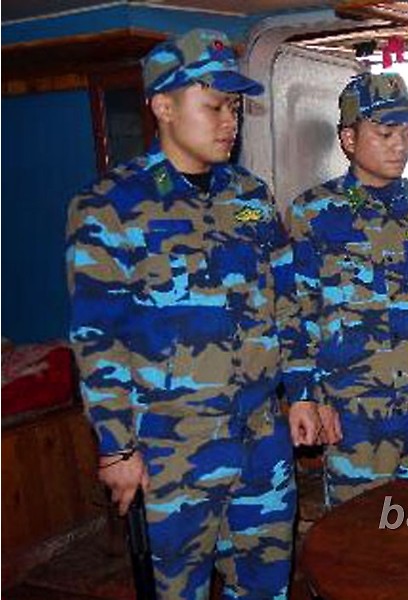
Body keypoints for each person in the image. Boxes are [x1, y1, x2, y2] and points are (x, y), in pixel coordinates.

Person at [66, 29, 320, 598]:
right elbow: (98, 338)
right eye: (214, 106)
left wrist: (301, 392)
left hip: (260, 437)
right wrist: (116, 446)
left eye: (235, 107)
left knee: (266, 585)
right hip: (170, 448)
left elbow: (287, 301)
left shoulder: (250, 197)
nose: (230, 121)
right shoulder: (110, 206)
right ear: (163, 106)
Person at [289, 72, 408, 507]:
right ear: (349, 139)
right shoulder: (313, 212)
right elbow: (298, 313)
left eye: (407, 133)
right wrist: (311, 397)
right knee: (357, 532)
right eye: (386, 133)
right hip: (352, 412)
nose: (400, 145)